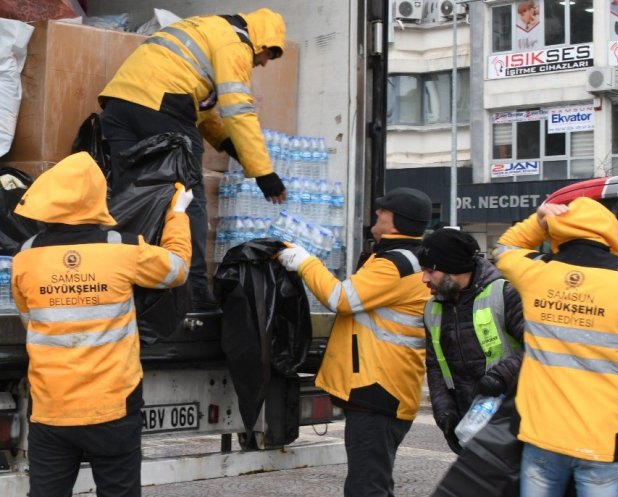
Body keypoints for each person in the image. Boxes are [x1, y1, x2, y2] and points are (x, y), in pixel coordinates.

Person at [11, 152, 192, 497]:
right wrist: (177, 214)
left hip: (52, 410)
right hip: (112, 406)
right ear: (96, 198)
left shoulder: (24, 259)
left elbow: (28, 320)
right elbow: (178, 269)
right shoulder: (123, 252)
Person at [99, 8, 287, 312]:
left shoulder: (206, 28)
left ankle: (124, 283)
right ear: (261, 40)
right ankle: (195, 289)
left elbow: (199, 106)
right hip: (161, 106)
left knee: (130, 196)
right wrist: (263, 172)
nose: (264, 62)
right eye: (269, 53)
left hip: (119, 105)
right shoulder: (236, 42)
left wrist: (228, 144)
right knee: (188, 198)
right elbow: (238, 107)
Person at [493, 198, 618, 497]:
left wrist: (539, 221)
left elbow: (505, 249)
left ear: (558, 231)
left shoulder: (537, 273)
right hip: (607, 437)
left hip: (543, 433)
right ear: (612, 232)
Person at [277, 187, 432, 497]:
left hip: (379, 389)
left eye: (383, 210)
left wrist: (305, 262)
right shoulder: (401, 258)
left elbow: (341, 298)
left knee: (367, 488)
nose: (377, 212)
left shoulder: (395, 265)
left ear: (395, 221)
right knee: (372, 483)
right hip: (384, 385)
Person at [418, 228, 524, 454]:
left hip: (513, 419)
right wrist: (444, 412)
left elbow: (537, 347)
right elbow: (435, 365)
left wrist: (500, 376)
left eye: (430, 270)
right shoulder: (432, 308)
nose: (424, 278)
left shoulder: (504, 294)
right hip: (471, 423)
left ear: (454, 269)